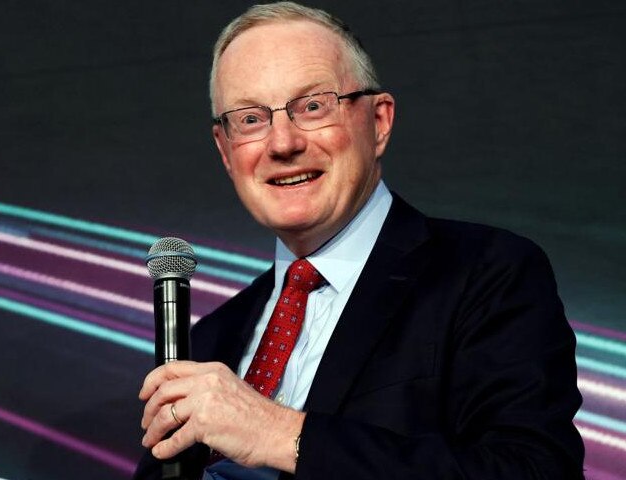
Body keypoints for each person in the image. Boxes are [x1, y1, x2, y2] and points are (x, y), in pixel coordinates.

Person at [133, 2, 585, 479]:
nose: (282, 143)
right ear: (226, 151)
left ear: (379, 122)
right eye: (250, 119)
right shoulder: (208, 341)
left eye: (312, 107)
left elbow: (533, 470)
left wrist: (280, 435)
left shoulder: (487, 275)